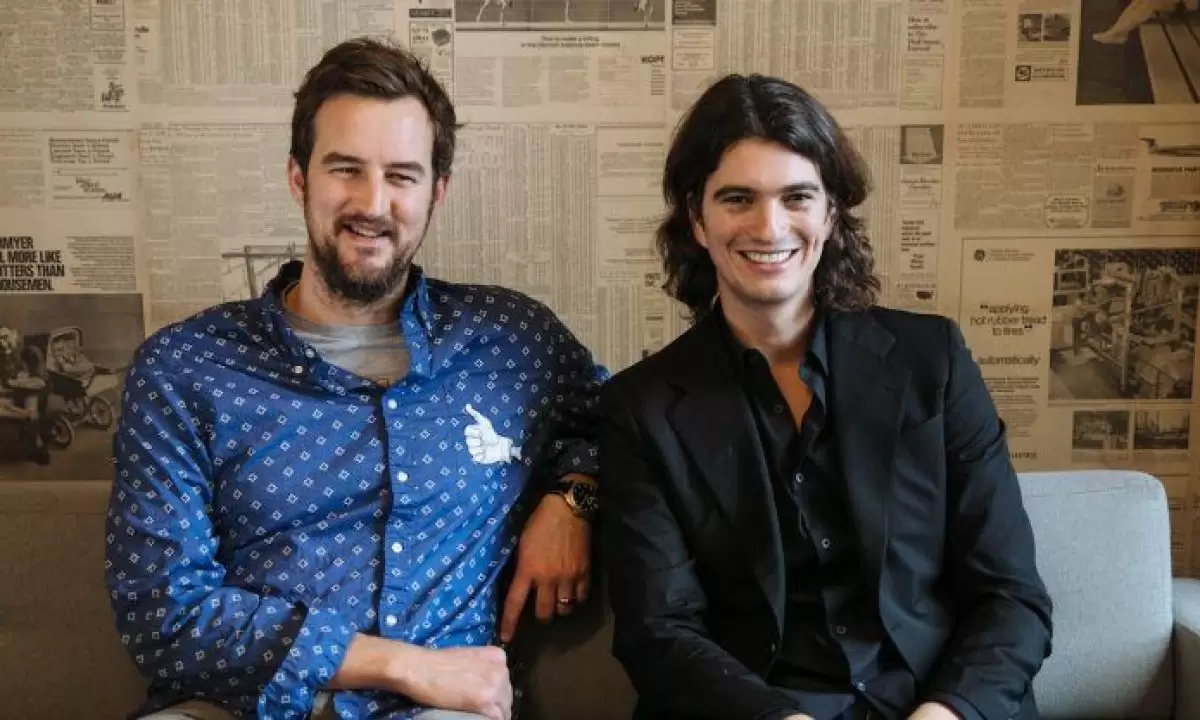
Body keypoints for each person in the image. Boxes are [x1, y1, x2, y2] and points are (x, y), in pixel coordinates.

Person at [105, 37, 606, 720]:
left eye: (402, 176)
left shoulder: (512, 341)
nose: (373, 203)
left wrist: (574, 495)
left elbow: (626, 422)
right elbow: (162, 611)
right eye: (346, 169)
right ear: (298, 178)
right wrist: (402, 665)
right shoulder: (184, 367)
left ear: (437, 192)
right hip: (233, 707)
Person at [595, 73, 1053, 720]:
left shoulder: (934, 362)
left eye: (797, 197)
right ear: (697, 219)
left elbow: (1010, 596)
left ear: (831, 214)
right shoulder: (639, 410)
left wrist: (945, 713)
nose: (769, 226)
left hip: (934, 705)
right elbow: (659, 633)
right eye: (737, 199)